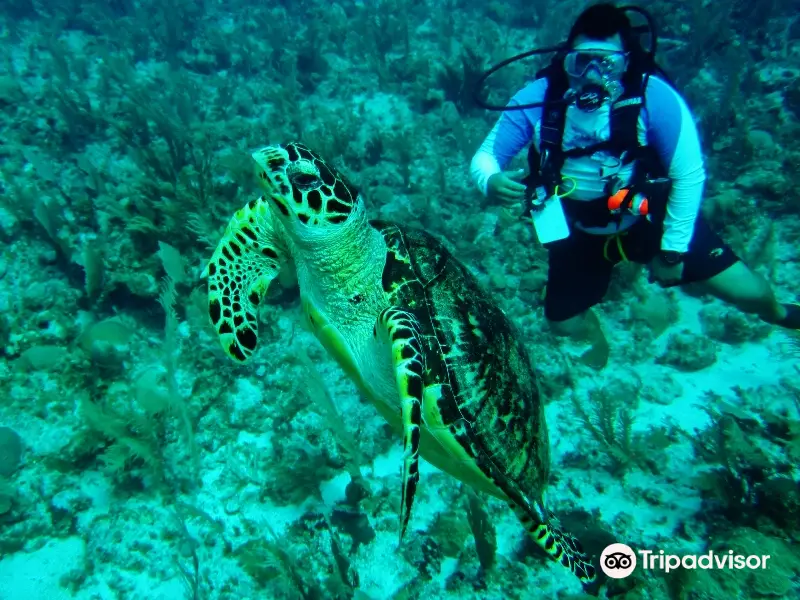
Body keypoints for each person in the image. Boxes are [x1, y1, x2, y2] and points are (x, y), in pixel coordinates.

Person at [470, 2, 799, 369]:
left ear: (627, 61)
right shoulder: (539, 95)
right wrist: (491, 180)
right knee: (562, 324)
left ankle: (778, 312)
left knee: (748, 292)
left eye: (607, 63)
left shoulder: (654, 98)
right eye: (582, 63)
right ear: (566, 60)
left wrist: (672, 251)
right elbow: (485, 157)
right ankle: (596, 338)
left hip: (648, 215)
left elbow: (689, 176)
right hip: (577, 229)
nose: (593, 74)